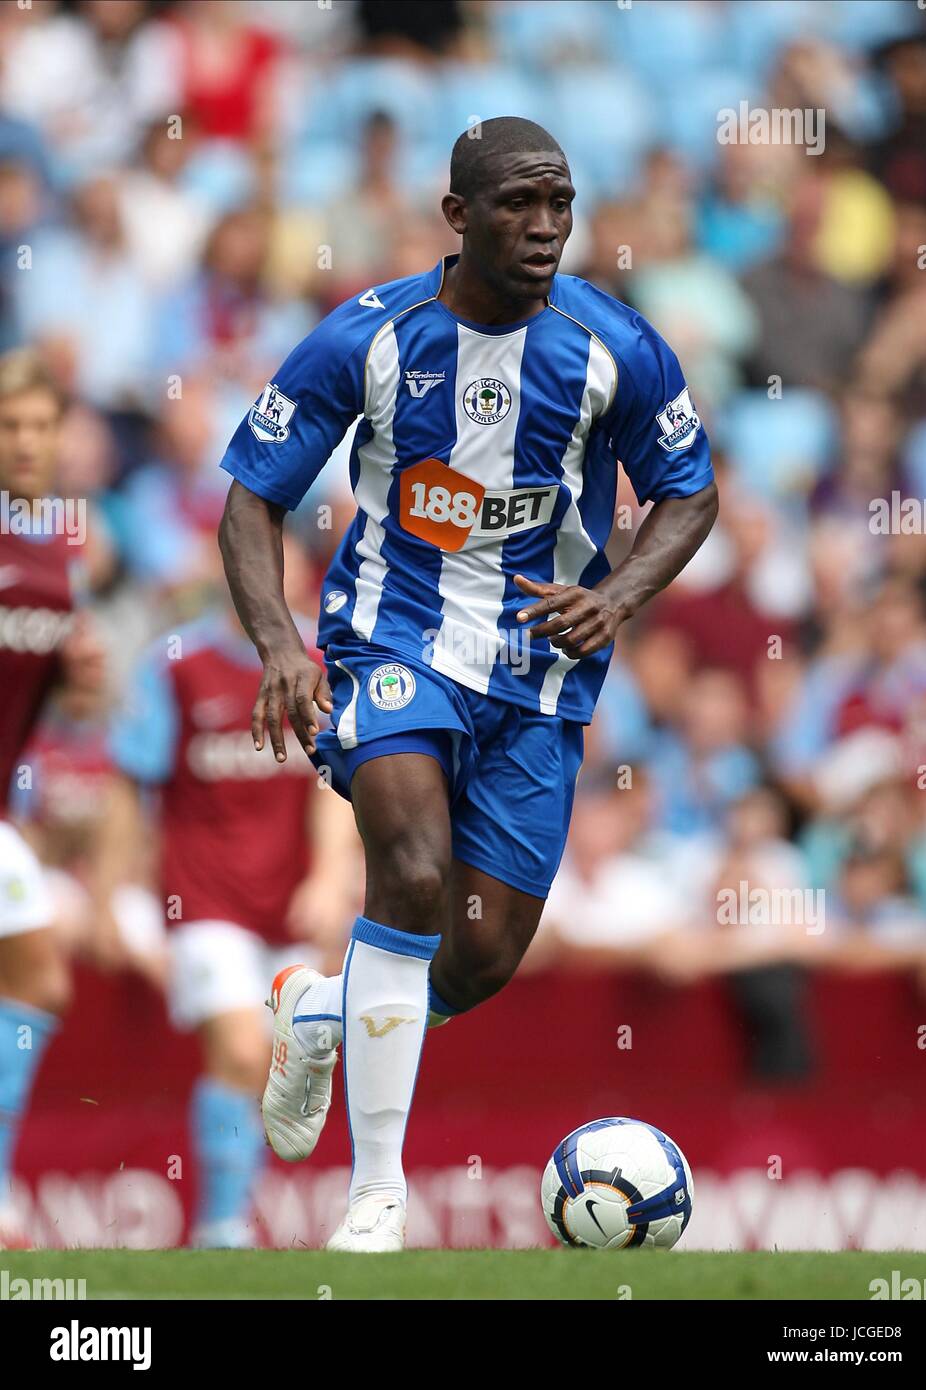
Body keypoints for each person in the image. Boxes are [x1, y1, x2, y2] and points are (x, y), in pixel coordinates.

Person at [217, 117, 718, 1251]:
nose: (545, 227)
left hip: (540, 676)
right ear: (456, 216)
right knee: (405, 869)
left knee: (482, 954)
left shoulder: (615, 348)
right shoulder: (368, 337)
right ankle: (375, 1198)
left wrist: (621, 595)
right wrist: (282, 645)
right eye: (517, 205)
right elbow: (253, 494)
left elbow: (690, 490)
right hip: (392, 641)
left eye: (561, 203)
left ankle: (323, 1008)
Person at [95, 554, 358, 1249]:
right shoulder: (173, 665)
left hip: (287, 903)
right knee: (242, 1051)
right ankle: (222, 1228)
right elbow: (132, 779)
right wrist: (109, 892)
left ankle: (229, 1220)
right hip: (201, 899)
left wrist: (331, 877)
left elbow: (330, 779)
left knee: (275, 1067)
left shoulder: (318, 663)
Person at [0, 348, 102, 1247]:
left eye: (39, 427)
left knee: (37, 977)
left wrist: (78, 676)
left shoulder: (52, 548)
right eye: (10, 427)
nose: (26, 443)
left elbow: (60, 694)